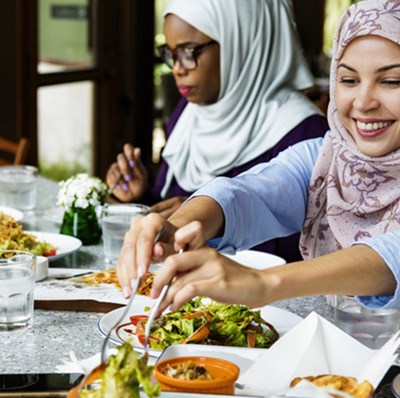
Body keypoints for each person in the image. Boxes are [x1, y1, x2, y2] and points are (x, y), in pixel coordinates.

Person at [116, 0, 400, 314]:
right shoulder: (329, 156)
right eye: (349, 80)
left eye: (391, 81)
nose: (362, 102)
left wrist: (263, 283)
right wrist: (176, 226)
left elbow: (390, 256)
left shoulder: (302, 126)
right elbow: (249, 192)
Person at [106, 0, 329, 263]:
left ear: (242, 42)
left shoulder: (306, 132)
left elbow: (309, 246)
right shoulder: (189, 114)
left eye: (189, 51)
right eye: (170, 53)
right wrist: (141, 196)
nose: (177, 68)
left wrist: (207, 219)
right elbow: (168, 204)